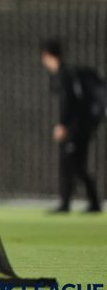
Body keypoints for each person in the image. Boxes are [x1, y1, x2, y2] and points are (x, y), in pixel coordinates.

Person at [41, 39, 101, 213]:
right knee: (78, 165)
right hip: (82, 127)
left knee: (70, 164)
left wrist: (63, 125)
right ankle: (90, 202)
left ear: (47, 55)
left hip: (75, 129)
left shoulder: (65, 75)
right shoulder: (70, 74)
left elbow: (69, 103)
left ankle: (67, 203)